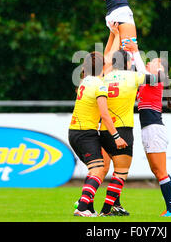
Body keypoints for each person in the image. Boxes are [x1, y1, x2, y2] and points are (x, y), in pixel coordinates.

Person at [98, 43, 165, 216]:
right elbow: (156, 78)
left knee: (104, 170)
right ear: (128, 64)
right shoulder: (132, 77)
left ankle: (95, 204)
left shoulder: (105, 78)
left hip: (105, 129)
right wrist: (135, 53)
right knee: (121, 173)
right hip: (123, 129)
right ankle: (106, 210)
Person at [124, 40, 171, 217]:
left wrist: (135, 51)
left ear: (161, 69)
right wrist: (129, 53)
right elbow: (135, 70)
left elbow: (142, 70)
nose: (150, 62)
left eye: (155, 61)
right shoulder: (146, 81)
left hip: (154, 130)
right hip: (150, 130)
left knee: (160, 172)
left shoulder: (157, 78)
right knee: (158, 171)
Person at [69, 39, 127, 217]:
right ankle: (82, 205)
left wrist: (113, 35)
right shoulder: (99, 84)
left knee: (97, 167)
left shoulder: (86, 80)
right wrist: (117, 136)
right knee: (98, 170)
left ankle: (88, 206)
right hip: (85, 133)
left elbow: (104, 59)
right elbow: (104, 115)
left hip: (76, 132)